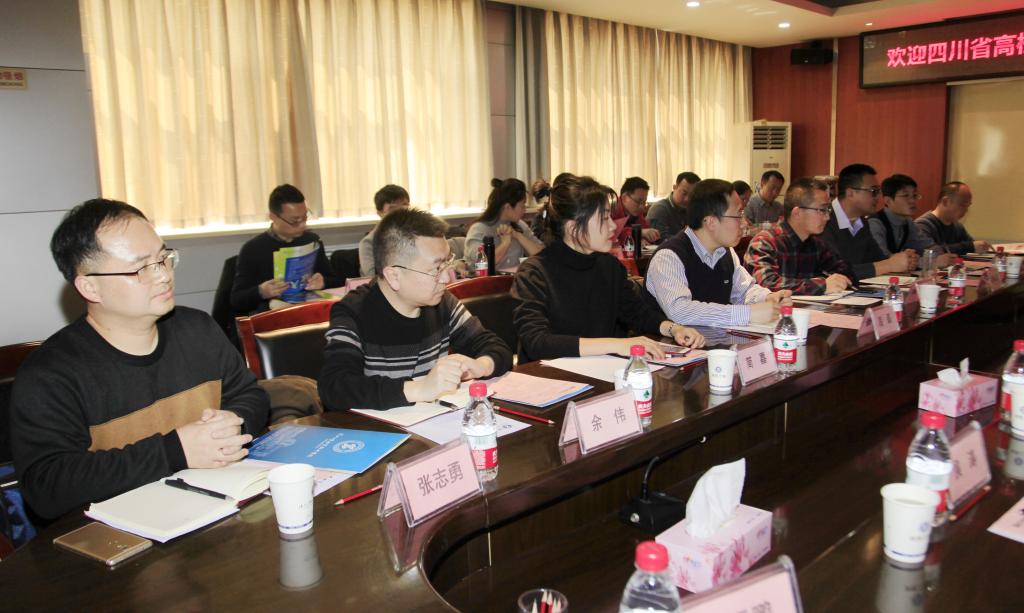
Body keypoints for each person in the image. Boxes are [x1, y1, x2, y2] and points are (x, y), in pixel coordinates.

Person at [10, 199, 269, 519]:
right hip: (113, 535)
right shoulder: (50, 374)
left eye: (163, 258)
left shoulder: (198, 329)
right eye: (141, 268)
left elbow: (250, 394)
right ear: (90, 287)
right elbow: (48, 484)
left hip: (213, 511)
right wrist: (176, 451)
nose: (163, 276)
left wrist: (233, 423)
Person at [319, 208, 513, 411]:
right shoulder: (353, 312)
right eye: (436, 269)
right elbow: (334, 387)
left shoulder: (441, 302)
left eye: (447, 263)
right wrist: (420, 389)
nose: (446, 278)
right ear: (394, 276)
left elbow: (496, 347)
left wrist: (481, 366)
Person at [511, 176, 704, 364]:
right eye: (604, 219)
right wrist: (617, 345)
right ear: (572, 228)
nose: (612, 226)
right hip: (551, 377)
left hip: (600, 370)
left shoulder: (608, 266)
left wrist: (674, 329)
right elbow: (537, 342)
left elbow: (637, 313)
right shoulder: (535, 273)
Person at [645, 179, 791, 327]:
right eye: (738, 215)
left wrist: (768, 298)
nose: (744, 223)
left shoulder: (725, 252)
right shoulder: (668, 257)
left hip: (713, 339)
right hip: (668, 341)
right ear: (711, 222)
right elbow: (680, 311)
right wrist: (748, 314)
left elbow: (743, 290)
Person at [231, 184, 340, 313]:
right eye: (295, 221)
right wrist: (261, 292)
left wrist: (323, 282)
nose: (302, 225)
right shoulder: (253, 249)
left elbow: (335, 281)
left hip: (308, 309)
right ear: (273, 217)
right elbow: (236, 300)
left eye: (305, 218)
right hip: (272, 315)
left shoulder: (312, 240)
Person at [743, 178, 855, 295]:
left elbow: (846, 273)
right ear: (797, 213)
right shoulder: (765, 242)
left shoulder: (816, 244)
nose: (827, 217)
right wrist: (822, 285)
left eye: (828, 209)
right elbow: (765, 284)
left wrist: (837, 281)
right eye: (822, 210)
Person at [820, 163, 917, 281]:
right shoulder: (823, 219)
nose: (878, 197)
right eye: (873, 191)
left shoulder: (861, 221)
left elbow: (878, 259)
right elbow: (835, 272)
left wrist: (903, 260)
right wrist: (889, 265)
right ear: (850, 193)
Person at [868, 174, 954, 270]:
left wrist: (940, 256)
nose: (912, 201)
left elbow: (928, 246)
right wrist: (929, 261)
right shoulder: (875, 223)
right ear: (888, 201)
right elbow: (882, 260)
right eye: (905, 196)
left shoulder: (907, 222)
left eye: (914, 195)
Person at [464, 178, 544, 271]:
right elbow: (482, 264)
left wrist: (518, 235)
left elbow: (542, 254)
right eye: (522, 206)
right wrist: (505, 244)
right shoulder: (479, 229)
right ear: (507, 207)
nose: (524, 210)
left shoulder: (520, 225)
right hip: (484, 279)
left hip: (513, 278)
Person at [915, 181, 992, 256]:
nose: (966, 210)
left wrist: (981, 246)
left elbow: (971, 244)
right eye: (963, 205)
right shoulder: (923, 225)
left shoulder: (957, 227)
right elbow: (931, 253)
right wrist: (970, 247)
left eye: (968, 206)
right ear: (945, 201)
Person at [359, 184, 410, 277]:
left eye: (404, 206)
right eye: (392, 209)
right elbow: (372, 277)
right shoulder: (368, 243)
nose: (400, 213)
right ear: (380, 213)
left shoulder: (417, 234)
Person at [647, 172, 700, 239]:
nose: (687, 199)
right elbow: (661, 239)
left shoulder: (691, 209)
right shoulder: (659, 209)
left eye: (691, 195)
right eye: (684, 193)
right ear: (675, 187)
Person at [611, 177, 660, 245]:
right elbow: (614, 233)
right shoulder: (612, 209)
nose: (642, 207)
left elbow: (645, 229)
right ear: (624, 198)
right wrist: (639, 232)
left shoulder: (637, 212)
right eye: (638, 201)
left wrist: (646, 237)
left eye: (644, 202)